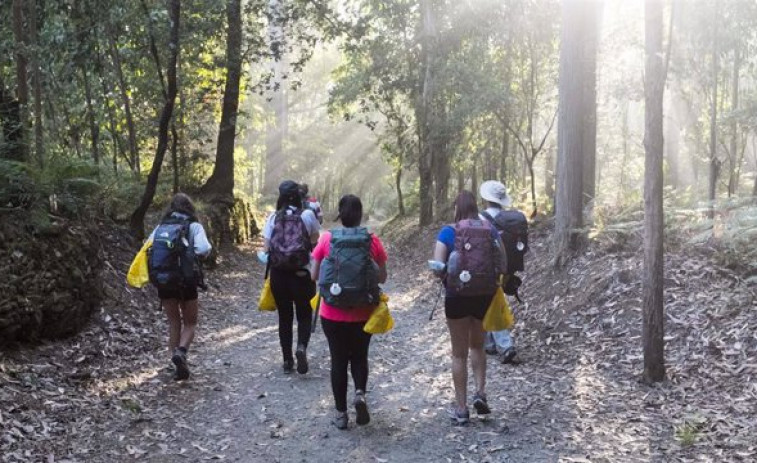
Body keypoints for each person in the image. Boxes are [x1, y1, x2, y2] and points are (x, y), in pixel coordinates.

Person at [311, 194, 388, 430]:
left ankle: (341, 414)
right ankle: (360, 394)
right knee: (360, 355)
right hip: (364, 311)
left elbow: (314, 276)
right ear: (360, 215)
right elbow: (383, 276)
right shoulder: (372, 240)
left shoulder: (326, 239)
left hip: (332, 312)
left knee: (338, 360)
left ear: (340, 215)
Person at [433, 190, 505, 425]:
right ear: (476, 207)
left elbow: (437, 268)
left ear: (457, 208)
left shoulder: (448, 231)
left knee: (458, 353)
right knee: (478, 347)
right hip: (484, 296)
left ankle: (462, 409)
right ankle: (481, 394)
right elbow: (502, 262)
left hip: (456, 296)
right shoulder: (490, 229)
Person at [147, 193, 212, 381]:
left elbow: (148, 248)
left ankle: (174, 361)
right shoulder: (194, 226)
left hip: (164, 280)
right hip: (187, 280)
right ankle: (182, 353)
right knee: (190, 322)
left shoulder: (161, 227)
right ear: (190, 207)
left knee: (174, 322)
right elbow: (204, 249)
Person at [262, 180, 321, 374]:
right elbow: (314, 242)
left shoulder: (273, 217)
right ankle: (301, 347)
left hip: (279, 275)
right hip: (302, 274)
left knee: (284, 317)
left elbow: (266, 249)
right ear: (299, 195)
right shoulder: (307, 215)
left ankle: (287, 360)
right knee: (304, 314)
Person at [478, 180, 528, 364]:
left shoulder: (481, 218)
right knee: (490, 302)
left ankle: (506, 345)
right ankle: (489, 344)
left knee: (492, 303)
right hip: (507, 267)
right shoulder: (510, 219)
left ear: (486, 199)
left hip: (488, 267)